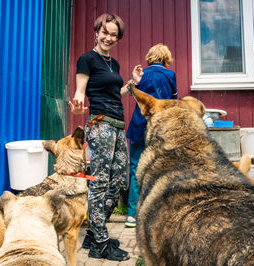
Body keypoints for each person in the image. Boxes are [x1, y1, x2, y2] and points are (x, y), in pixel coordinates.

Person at [69, 13, 140, 262]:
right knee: (99, 184)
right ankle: (100, 242)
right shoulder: (87, 59)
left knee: (119, 181)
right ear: (96, 32)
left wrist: (131, 84)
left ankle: (92, 235)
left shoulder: (114, 64)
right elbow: (80, 92)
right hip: (101, 126)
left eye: (113, 34)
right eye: (105, 32)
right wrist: (77, 103)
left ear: (117, 38)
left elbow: (114, 92)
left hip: (118, 125)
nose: (108, 37)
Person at [125, 43, 178, 228]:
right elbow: (172, 104)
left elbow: (133, 95)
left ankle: (132, 215)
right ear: (166, 58)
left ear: (150, 57)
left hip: (139, 127)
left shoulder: (141, 75)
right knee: (160, 170)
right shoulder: (170, 75)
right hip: (159, 130)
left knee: (135, 169)